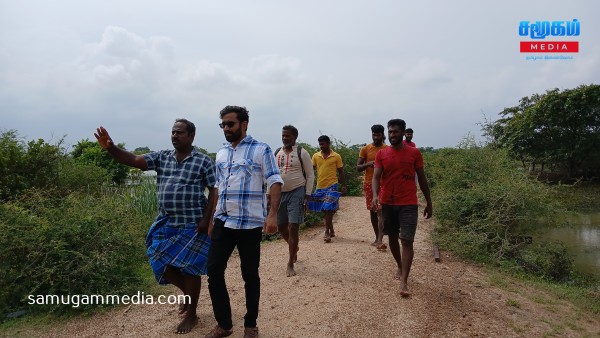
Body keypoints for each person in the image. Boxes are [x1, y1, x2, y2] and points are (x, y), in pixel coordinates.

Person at [94, 119, 216, 334]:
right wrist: (111, 148)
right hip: (166, 221)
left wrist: (207, 220)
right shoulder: (162, 157)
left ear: (191, 136)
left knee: (189, 269)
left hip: (192, 223)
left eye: (179, 132)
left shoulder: (203, 161)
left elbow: (214, 190)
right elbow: (132, 159)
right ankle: (188, 295)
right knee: (161, 264)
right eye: (172, 132)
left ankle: (192, 314)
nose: (174, 136)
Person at [204, 106, 283, 338]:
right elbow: (217, 187)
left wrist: (272, 214)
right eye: (223, 125)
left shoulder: (261, 149)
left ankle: (250, 324)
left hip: (249, 224)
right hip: (223, 221)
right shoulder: (221, 152)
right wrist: (211, 220)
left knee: (250, 274)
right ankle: (225, 324)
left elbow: (275, 181)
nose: (226, 129)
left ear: (244, 124)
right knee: (213, 271)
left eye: (231, 124)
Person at [371, 119, 432, 297]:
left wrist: (429, 202)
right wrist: (375, 196)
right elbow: (376, 177)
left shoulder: (414, 153)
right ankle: (399, 264)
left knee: (407, 240)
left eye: (396, 132)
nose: (392, 135)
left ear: (403, 132)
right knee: (391, 238)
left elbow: (422, 178)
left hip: (408, 204)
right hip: (388, 203)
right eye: (390, 132)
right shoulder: (381, 154)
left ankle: (404, 281)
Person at [270, 125, 315, 277]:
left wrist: (307, 196)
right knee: (282, 227)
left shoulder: (302, 152)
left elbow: (310, 175)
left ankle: (290, 263)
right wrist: (269, 194)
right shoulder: (277, 152)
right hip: (280, 193)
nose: (284, 138)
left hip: (297, 191)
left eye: (288, 136)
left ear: (294, 137)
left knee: (293, 226)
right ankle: (294, 247)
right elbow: (272, 175)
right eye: (283, 135)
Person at [357, 124, 388, 251]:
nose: (375, 137)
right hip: (369, 183)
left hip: (384, 183)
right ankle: (377, 237)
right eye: (374, 135)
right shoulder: (365, 149)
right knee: (373, 211)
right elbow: (358, 168)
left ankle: (380, 239)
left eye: (378, 135)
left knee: (381, 210)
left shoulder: (387, 149)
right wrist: (369, 164)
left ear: (382, 135)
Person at [310, 135, 346, 243]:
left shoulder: (336, 156)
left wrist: (343, 186)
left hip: (332, 185)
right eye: (320, 144)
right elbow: (311, 171)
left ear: (328, 143)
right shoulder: (316, 156)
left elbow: (341, 172)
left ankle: (326, 232)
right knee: (323, 209)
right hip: (320, 186)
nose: (321, 146)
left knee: (328, 208)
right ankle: (331, 228)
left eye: (323, 144)